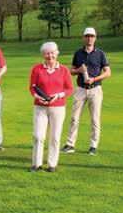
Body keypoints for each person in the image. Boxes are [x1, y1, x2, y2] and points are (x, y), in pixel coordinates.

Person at [62, 27, 111, 156]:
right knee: (74, 118)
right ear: (84, 38)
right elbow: (71, 71)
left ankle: (93, 146)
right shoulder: (78, 53)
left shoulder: (100, 53)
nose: (89, 38)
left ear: (95, 38)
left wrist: (94, 79)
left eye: (92, 36)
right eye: (87, 36)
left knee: (95, 119)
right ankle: (70, 144)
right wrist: (79, 70)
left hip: (95, 89)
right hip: (80, 89)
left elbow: (107, 72)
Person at [29, 41, 73, 172]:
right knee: (38, 136)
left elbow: (70, 89)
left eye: (52, 52)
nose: (50, 56)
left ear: (57, 53)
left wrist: (58, 95)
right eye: (47, 53)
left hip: (58, 107)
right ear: (43, 54)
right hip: (40, 107)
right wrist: (37, 97)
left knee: (54, 137)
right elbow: (32, 88)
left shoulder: (64, 70)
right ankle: (36, 164)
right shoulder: (37, 69)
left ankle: (52, 164)